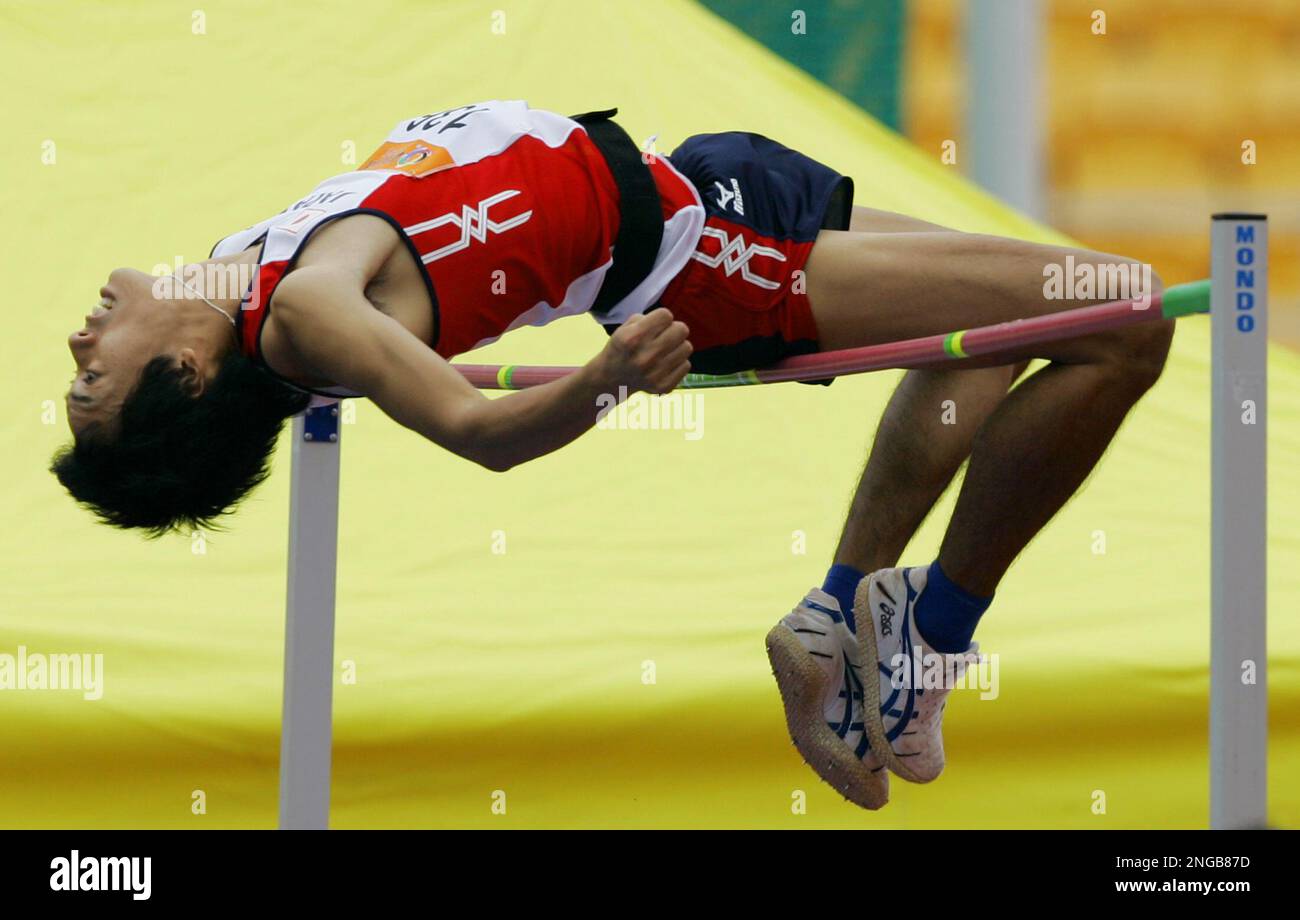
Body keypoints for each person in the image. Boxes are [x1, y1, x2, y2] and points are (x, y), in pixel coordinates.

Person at [52, 100, 1170, 810]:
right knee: (1122, 313)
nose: (80, 338)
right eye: (92, 378)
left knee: (986, 339)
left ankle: (836, 617)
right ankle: (929, 629)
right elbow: (476, 429)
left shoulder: (236, 273)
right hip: (712, 265)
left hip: (695, 185)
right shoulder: (302, 314)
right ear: (188, 377)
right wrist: (604, 380)